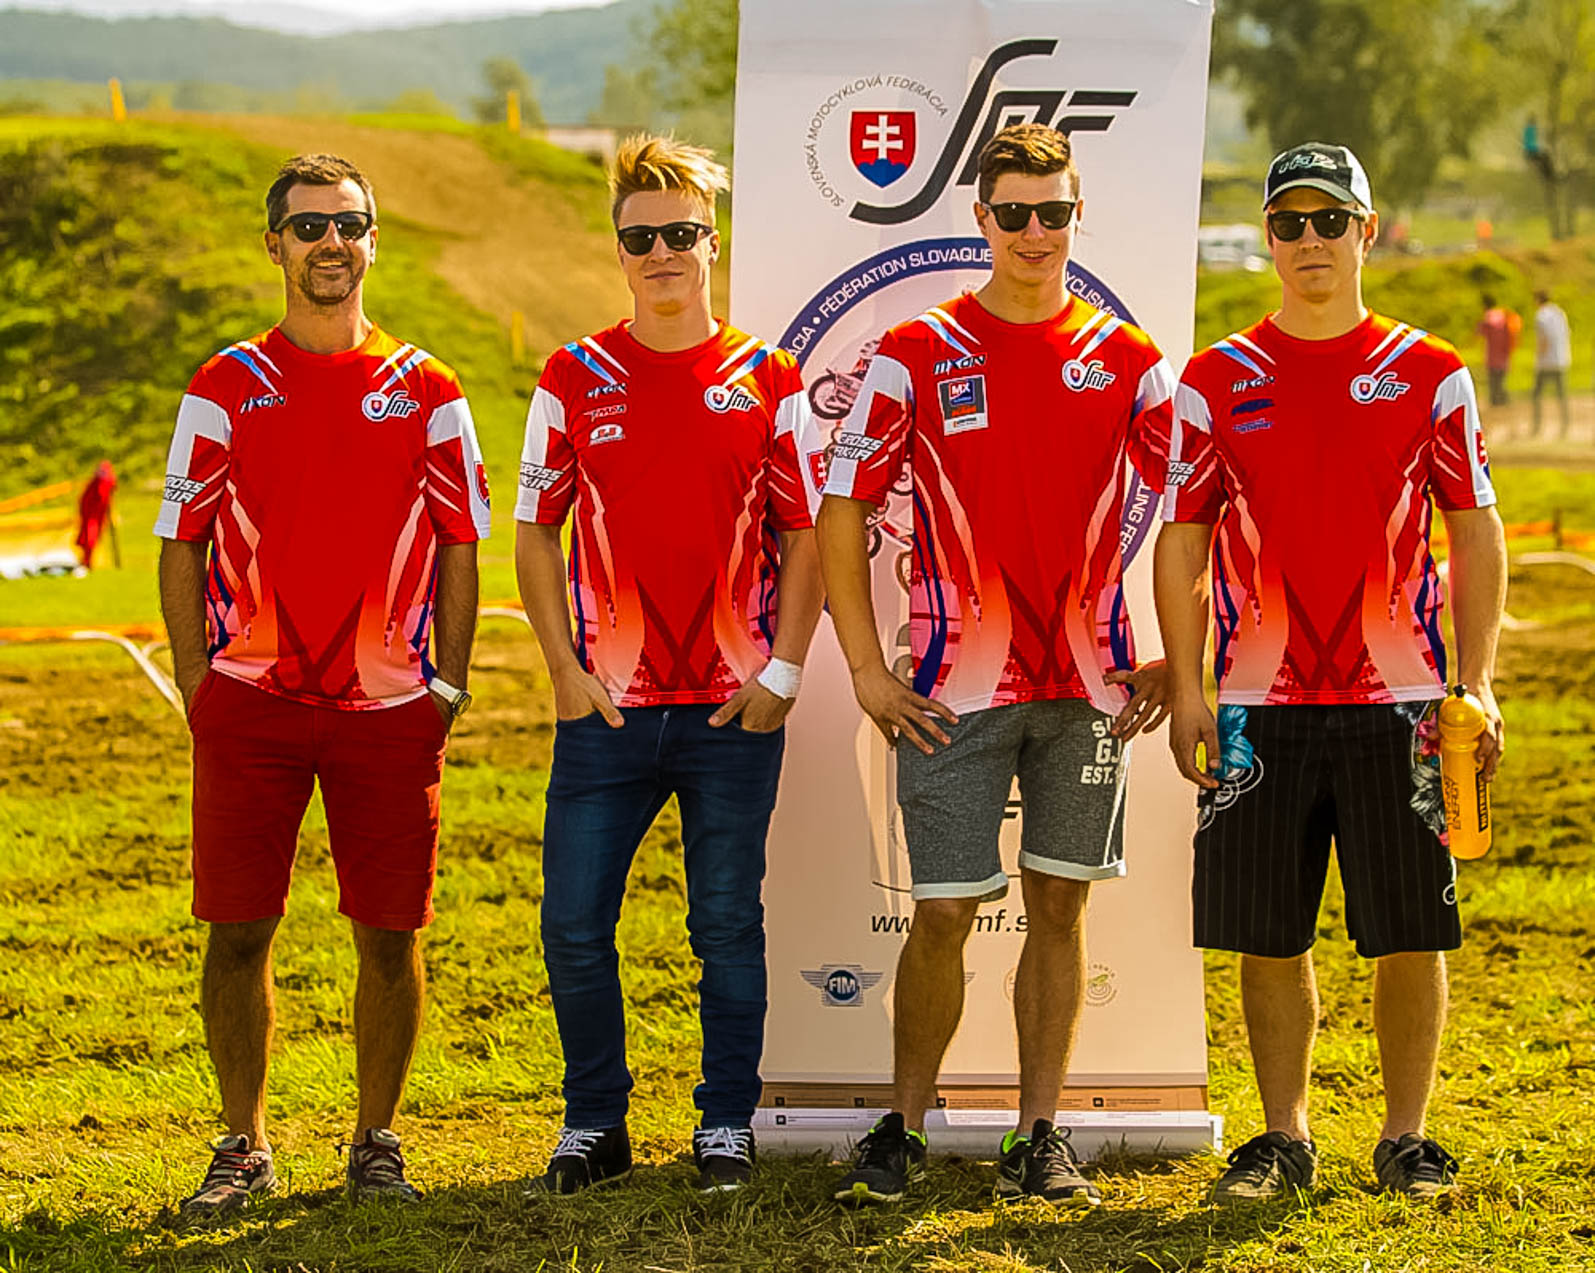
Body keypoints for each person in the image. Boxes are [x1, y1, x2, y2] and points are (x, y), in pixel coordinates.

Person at [817, 123, 1174, 1208]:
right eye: (1012, 212)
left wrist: (1176, 654)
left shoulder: (1129, 359)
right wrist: (865, 669)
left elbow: (1198, 513)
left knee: (1058, 910)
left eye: (1052, 211)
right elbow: (840, 509)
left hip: (1089, 692)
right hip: (950, 689)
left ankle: (1037, 1135)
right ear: (980, 218)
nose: (1032, 231)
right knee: (940, 912)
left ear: (1076, 215)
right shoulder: (915, 350)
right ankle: (901, 1128)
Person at [1156, 142, 1507, 1205]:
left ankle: (1406, 1137)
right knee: (1267, 935)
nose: (1308, 239)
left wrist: (1478, 680)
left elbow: (1474, 528)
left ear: (1366, 229)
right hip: (1252, 705)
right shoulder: (1214, 378)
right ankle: (1282, 1138)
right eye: (1288, 222)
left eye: (1328, 219)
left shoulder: (1429, 370)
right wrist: (1187, 687)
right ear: (1269, 238)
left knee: (1409, 929)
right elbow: (1181, 539)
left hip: (1403, 701)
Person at [156, 153, 490, 1214]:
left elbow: (461, 546)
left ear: (373, 241)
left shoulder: (430, 389)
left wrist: (445, 688)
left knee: (390, 936)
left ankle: (375, 1142)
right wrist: (197, 684)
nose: (330, 242)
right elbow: (180, 540)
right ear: (275, 245)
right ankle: (242, 1143)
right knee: (237, 930)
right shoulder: (222, 384)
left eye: (347, 224)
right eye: (308, 226)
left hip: (390, 712)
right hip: (249, 706)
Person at [515, 135, 825, 1195]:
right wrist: (563, 669)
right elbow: (533, 533)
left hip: (732, 711)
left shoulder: (769, 376)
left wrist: (783, 672)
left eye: (681, 233)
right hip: (604, 711)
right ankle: (594, 1123)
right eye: (641, 236)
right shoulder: (571, 375)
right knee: (572, 925)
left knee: (725, 924)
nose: (662, 253)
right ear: (618, 248)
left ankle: (725, 1124)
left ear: (711, 241)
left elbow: (805, 536)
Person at [1531, 289, 1572, 439]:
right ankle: (1565, 424)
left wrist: (1539, 358)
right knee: (1561, 395)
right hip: (1561, 359)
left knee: (1536, 395)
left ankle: (1537, 426)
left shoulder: (1541, 316)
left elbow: (1544, 339)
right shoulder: (1560, 313)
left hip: (1546, 362)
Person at [1476, 293, 1520, 407]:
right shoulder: (1502, 314)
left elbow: (1481, 331)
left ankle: (1496, 402)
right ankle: (1503, 401)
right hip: (1504, 353)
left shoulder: (1489, 316)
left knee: (1493, 380)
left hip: (1493, 354)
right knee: (1501, 380)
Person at [75, 460, 117, 570]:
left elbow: (104, 496)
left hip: (95, 517)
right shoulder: (95, 483)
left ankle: (87, 562)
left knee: (90, 539)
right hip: (90, 517)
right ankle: (85, 562)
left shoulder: (103, 483)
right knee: (88, 539)